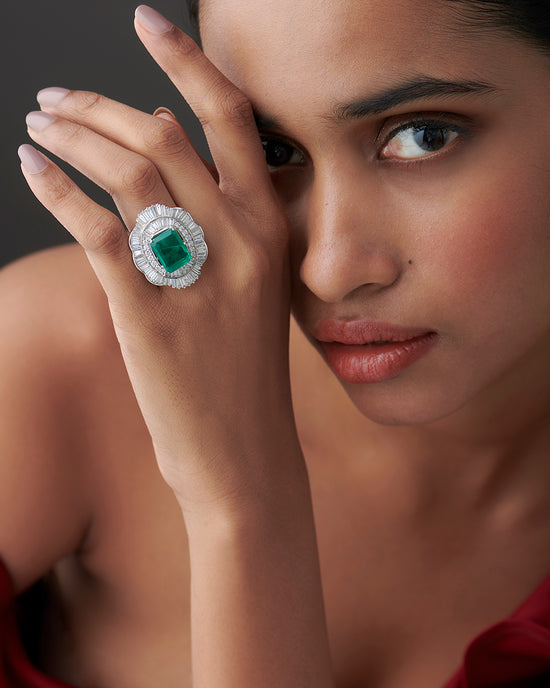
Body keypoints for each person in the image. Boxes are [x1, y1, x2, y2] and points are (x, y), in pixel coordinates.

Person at [2, 0, 550, 685]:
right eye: (273, 152)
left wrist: (244, 501)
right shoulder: (64, 356)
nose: (328, 269)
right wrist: (234, 494)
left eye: (424, 136)